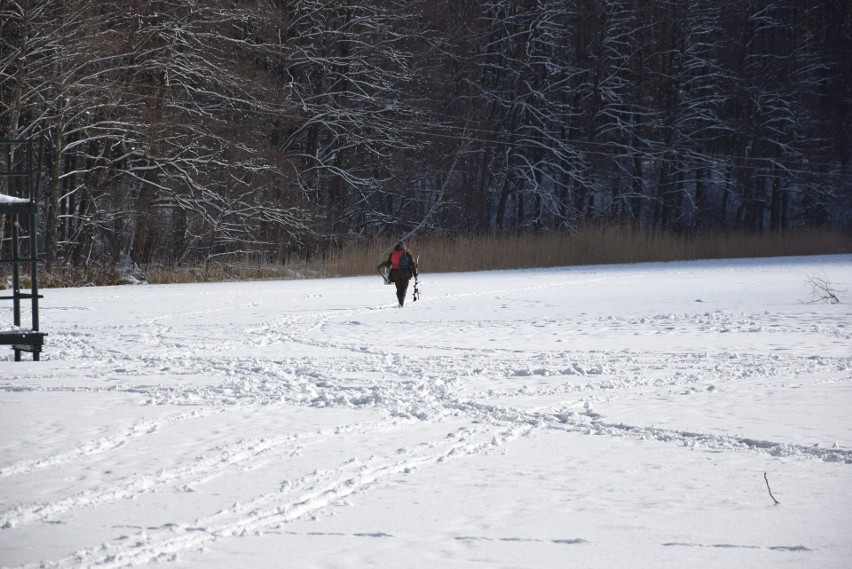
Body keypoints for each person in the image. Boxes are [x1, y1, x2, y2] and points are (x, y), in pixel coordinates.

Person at [378, 240, 418, 307]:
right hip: (405, 273)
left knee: (398, 289)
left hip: (395, 274)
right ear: (403, 246)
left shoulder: (392, 253)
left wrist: (382, 265)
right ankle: (401, 304)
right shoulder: (407, 252)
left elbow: (388, 264)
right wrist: (415, 274)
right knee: (404, 288)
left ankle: (400, 302)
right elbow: (412, 263)